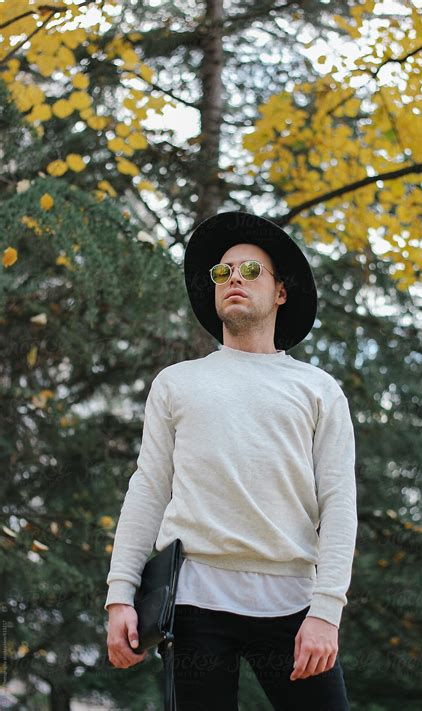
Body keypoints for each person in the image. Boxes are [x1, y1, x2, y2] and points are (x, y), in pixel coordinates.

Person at [105, 211, 358, 710]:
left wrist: (327, 611)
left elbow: (338, 502)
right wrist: (120, 595)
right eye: (222, 273)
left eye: (250, 271)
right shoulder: (176, 383)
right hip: (195, 603)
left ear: (280, 293)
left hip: (295, 606)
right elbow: (149, 489)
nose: (233, 279)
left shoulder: (318, 389)